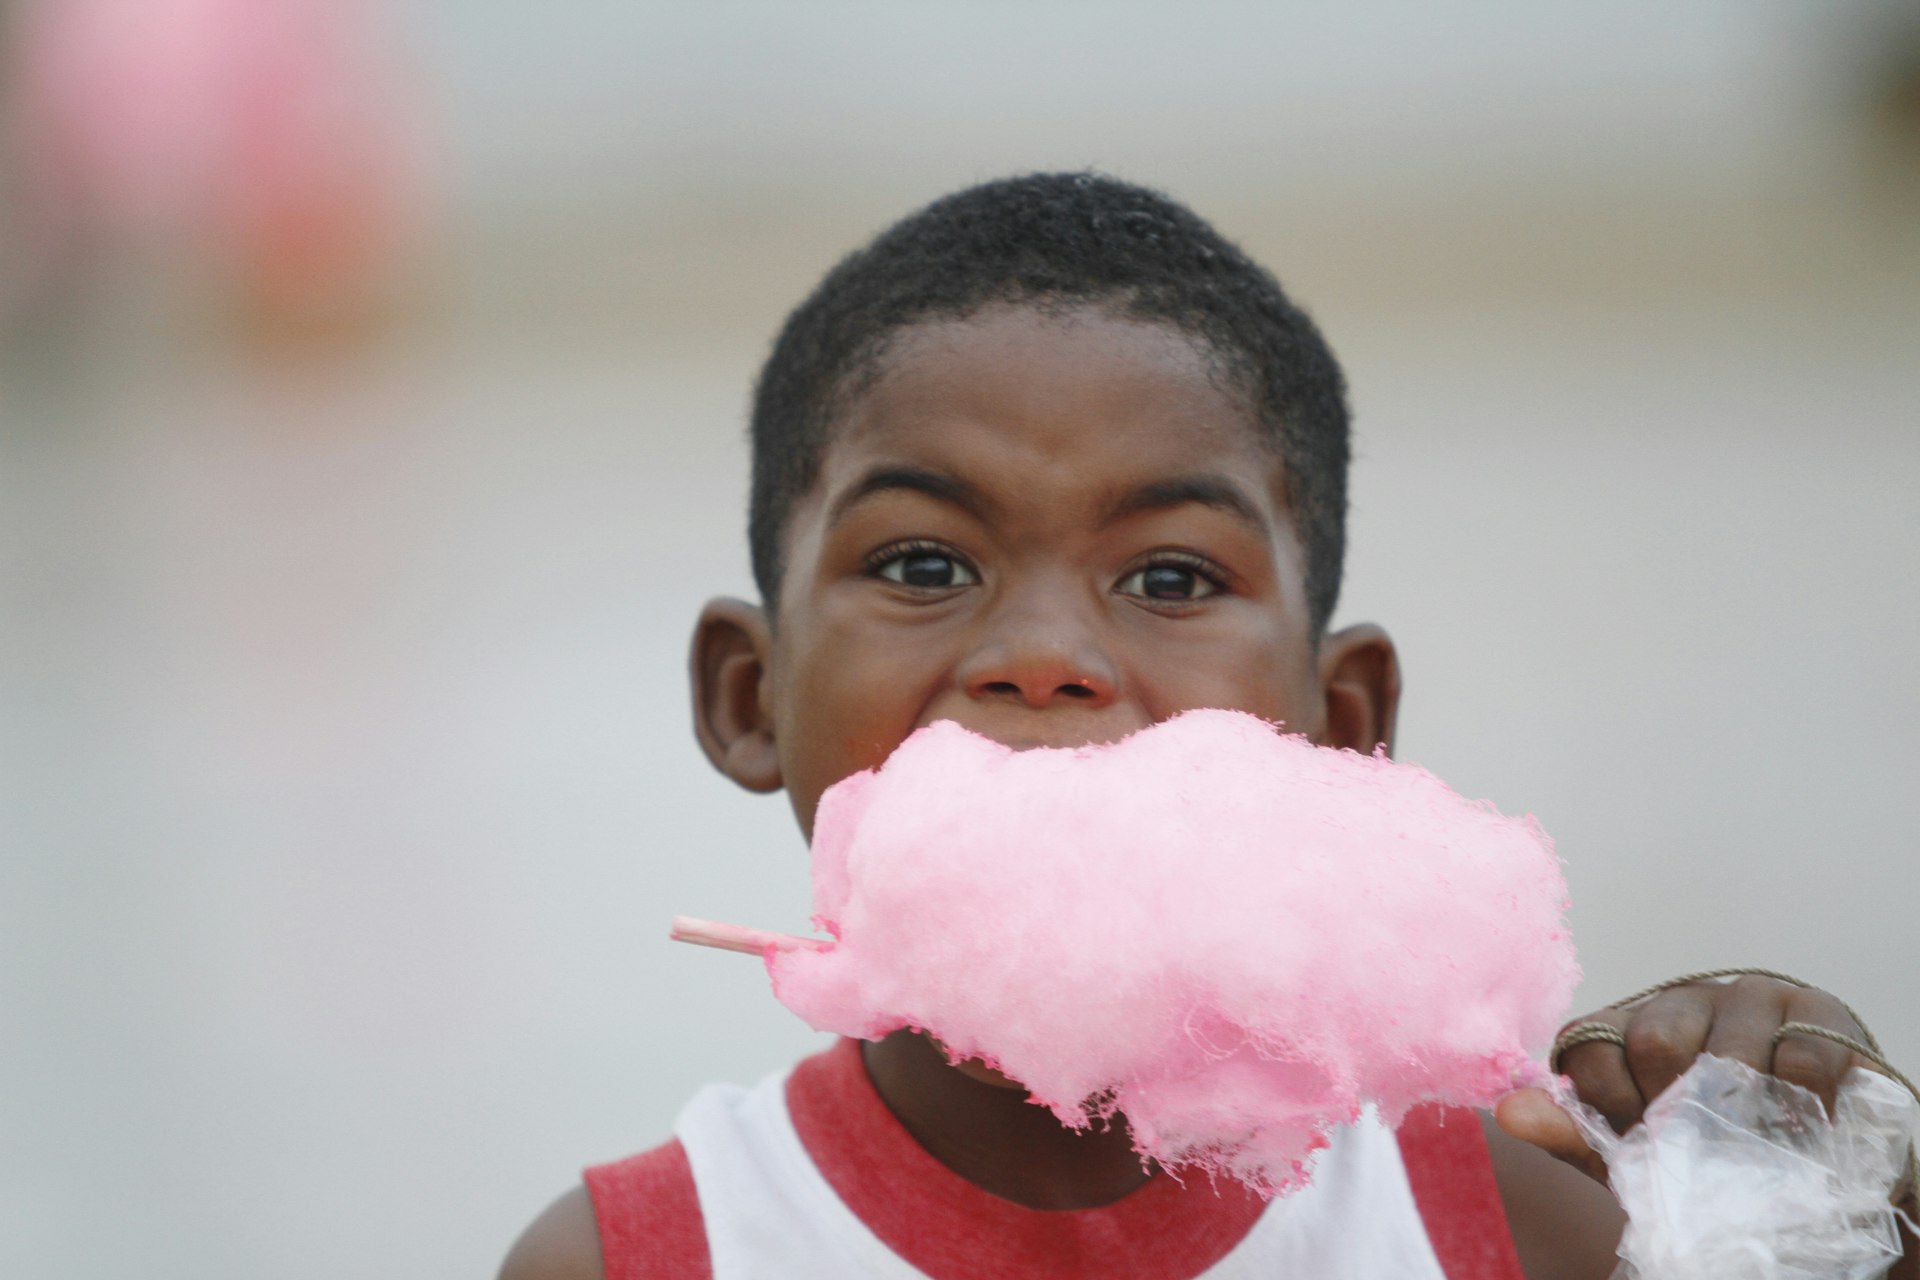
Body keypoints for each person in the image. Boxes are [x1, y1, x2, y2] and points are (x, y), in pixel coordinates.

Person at [501, 173, 1914, 1279]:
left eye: (1170, 577)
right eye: (924, 563)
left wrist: (1850, 1217)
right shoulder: (634, 1261)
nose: (1045, 654)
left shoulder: (1537, 1224)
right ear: (747, 698)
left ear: (1342, 727)